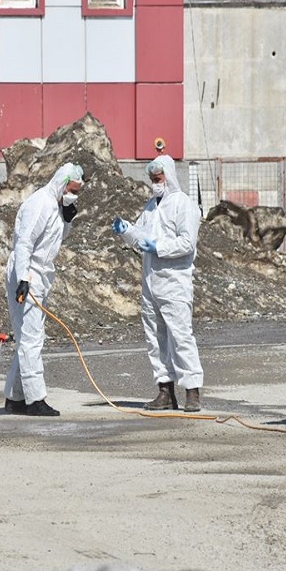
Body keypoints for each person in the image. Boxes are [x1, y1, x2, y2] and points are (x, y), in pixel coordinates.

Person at [112, 155, 204, 412]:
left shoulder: (184, 205)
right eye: (152, 179)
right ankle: (165, 391)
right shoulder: (151, 206)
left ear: (170, 175)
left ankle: (192, 391)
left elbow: (187, 244)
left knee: (180, 336)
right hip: (151, 281)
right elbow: (141, 237)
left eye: (158, 178)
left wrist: (159, 247)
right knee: (155, 337)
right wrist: (126, 231)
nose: (155, 183)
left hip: (174, 281)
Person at [3, 162, 85, 417]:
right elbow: (24, 243)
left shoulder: (56, 207)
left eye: (77, 192)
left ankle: (15, 397)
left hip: (40, 274)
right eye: (71, 190)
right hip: (27, 273)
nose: (73, 195)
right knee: (31, 339)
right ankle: (35, 400)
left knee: (28, 338)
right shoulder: (40, 203)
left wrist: (67, 220)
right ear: (61, 184)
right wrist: (23, 277)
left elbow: (53, 240)